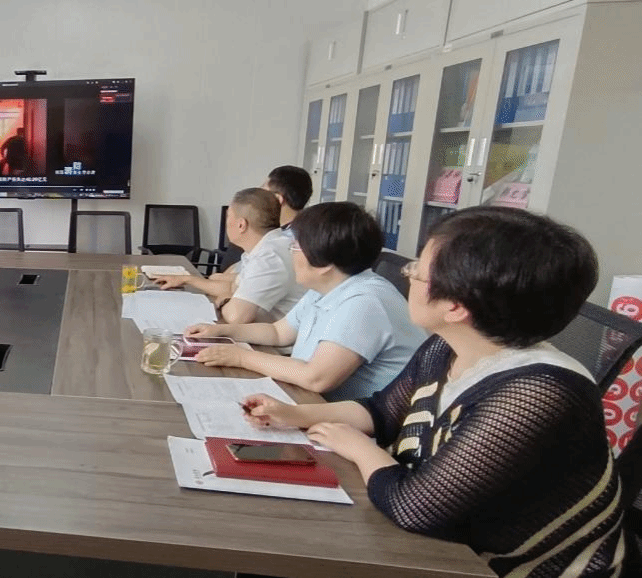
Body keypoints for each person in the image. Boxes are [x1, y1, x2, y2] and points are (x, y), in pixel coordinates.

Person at [242, 207, 627, 576]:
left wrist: (360, 449)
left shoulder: (538, 392)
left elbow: (414, 508)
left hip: (505, 566)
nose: (407, 276)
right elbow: (382, 411)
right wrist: (296, 415)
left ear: (456, 306)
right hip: (445, 537)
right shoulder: (447, 346)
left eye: (416, 271)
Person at [186, 202, 424, 401]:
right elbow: (278, 333)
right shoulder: (328, 286)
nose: (291, 252)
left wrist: (240, 357)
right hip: (315, 403)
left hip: (359, 426)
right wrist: (221, 331)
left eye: (295, 246)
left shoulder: (365, 302)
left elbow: (316, 377)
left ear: (324, 264)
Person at [155, 188, 306, 323]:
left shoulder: (269, 257)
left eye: (228, 217)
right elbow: (232, 287)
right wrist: (186, 279)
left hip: (274, 343)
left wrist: (225, 300)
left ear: (241, 225)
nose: (226, 223)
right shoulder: (262, 247)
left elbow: (236, 317)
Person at [214, 165, 315, 273]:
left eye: (263, 193)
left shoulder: (289, 242)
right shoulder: (295, 231)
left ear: (278, 199)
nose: (258, 198)